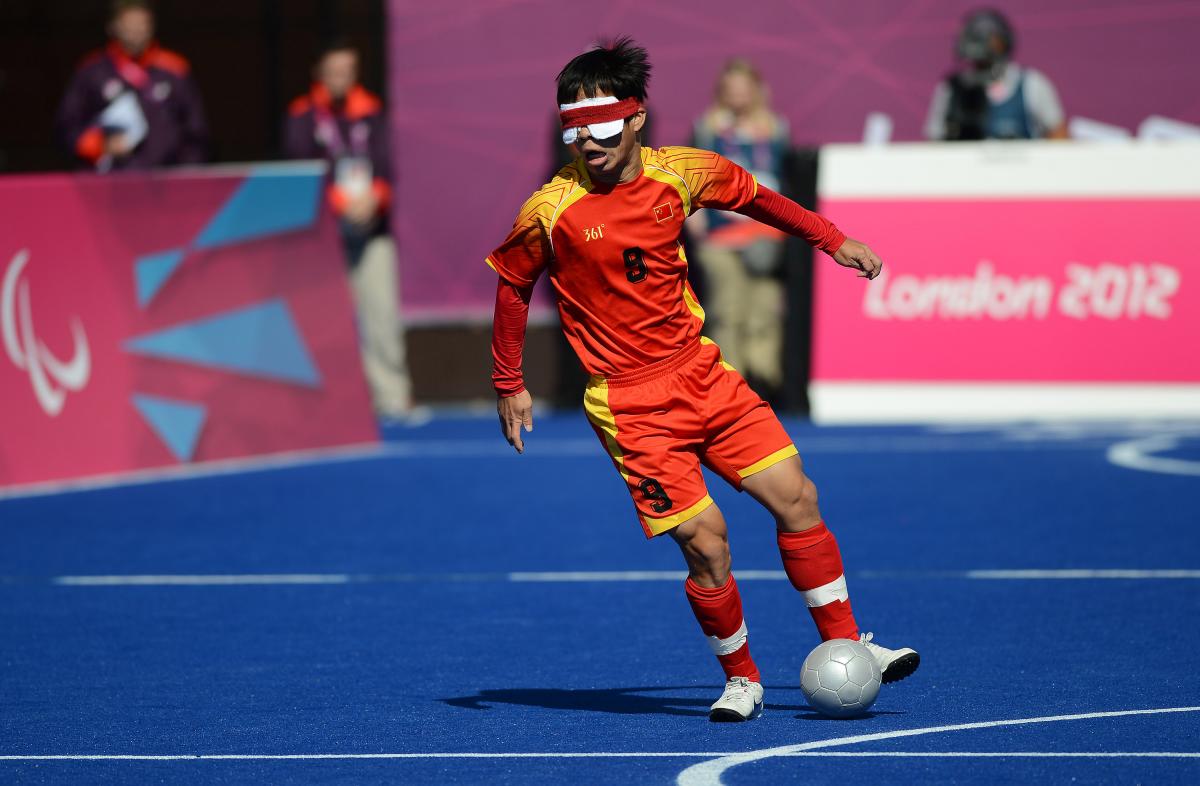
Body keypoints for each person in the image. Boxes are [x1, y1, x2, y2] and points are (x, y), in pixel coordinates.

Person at [487, 39, 919, 722]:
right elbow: (513, 286)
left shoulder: (684, 174)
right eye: (574, 130)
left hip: (702, 374)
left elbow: (762, 201)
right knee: (706, 541)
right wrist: (508, 380)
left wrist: (832, 240)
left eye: (599, 128)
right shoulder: (549, 210)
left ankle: (850, 646)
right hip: (629, 404)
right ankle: (742, 680)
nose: (586, 143)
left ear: (634, 119)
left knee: (797, 497)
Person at [283, 41, 413, 418]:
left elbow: (387, 167)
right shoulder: (302, 115)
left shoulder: (370, 111)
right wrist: (339, 202)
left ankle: (392, 397)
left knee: (382, 319)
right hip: (322, 237)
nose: (341, 79)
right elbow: (299, 172)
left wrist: (375, 198)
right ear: (319, 75)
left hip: (372, 231)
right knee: (323, 323)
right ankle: (328, 407)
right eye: (333, 71)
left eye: (348, 71)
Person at [689, 59, 790, 401]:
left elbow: (787, 179)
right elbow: (690, 175)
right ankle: (732, 386)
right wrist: (695, 219)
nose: (738, 97)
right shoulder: (708, 127)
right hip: (720, 236)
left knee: (763, 312)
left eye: (744, 89)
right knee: (727, 310)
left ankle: (764, 382)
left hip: (765, 237)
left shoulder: (775, 128)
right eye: (730, 90)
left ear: (757, 90)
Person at [55, 0, 208, 171]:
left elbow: (196, 134)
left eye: (142, 24)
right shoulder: (92, 72)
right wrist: (101, 145)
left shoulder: (175, 70)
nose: (136, 31)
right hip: (108, 185)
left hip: (165, 184)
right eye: (129, 24)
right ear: (112, 27)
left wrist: (186, 175)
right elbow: (67, 129)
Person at [925, 8, 1067, 141]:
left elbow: (1059, 136)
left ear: (1003, 43)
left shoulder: (1032, 84)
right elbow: (934, 145)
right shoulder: (951, 88)